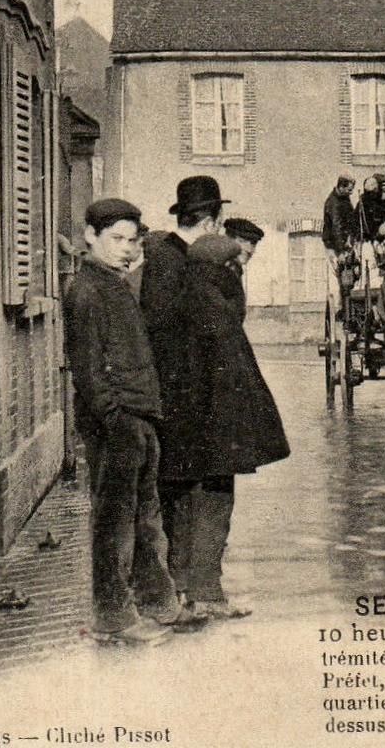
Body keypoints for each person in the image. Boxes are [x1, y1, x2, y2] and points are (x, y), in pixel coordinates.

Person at [63, 198, 188, 646]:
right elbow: (89, 368)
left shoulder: (114, 284)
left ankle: (158, 604)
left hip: (139, 417)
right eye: (115, 239)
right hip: (117, 423)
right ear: (90, 238)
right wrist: (115, 419)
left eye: (132, 240)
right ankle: (113, 617)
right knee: (114, 522)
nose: (126, 249)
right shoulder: (87, 291)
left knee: (145, 517)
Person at [170, 234, 292, 618]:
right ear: (224, 268)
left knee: (187, 504)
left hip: (193, 427)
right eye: (235, 267)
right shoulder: (214, 303)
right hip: (217, 429)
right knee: (215, 503)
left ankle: (184, 587)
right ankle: (206, 593)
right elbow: (228, 370)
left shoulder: (188, 297)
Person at [142, 175, 229, 627]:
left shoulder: (186, 259)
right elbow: (163, 327)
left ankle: (200, 591)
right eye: (218, 221)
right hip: (181, 401)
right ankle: (183, 592)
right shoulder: (168, 259)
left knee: (204, 491)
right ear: (211, 220)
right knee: (183, 495)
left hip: (197, 398)